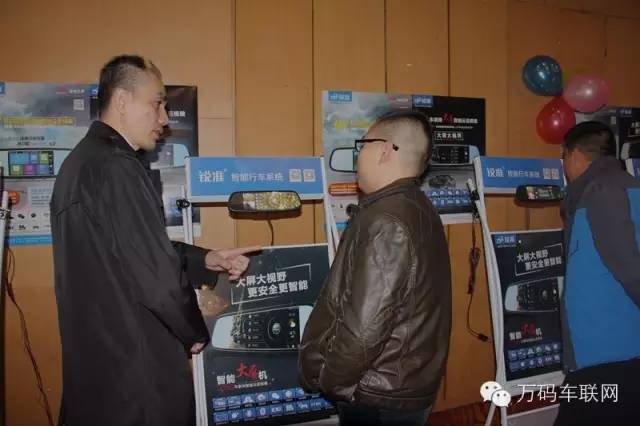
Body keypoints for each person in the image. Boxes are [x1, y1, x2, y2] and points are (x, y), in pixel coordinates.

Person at [50, 55, 259, 426]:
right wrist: (192, 330)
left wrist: (207, 258)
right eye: (157, 103)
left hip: (99, 368)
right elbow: (156, 276)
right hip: (136, 375)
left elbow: (127, 252)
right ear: (122, 100)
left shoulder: (79, 164)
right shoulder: (117, 166)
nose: (164, 118)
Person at [298, 110, 452, 426]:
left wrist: (330, 380)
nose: (359, 156)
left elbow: (365, 326)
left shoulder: (386, 220)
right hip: (403, 385)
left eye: (363, 145)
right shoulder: (418, 206)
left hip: (377, 394)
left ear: (384, 150)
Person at [555, 121, 640, 425]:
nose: (564, 166)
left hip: (607, 356)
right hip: (619, 352)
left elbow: (630, 269)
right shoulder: (626, 187)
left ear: (576, 155)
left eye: (564, 157)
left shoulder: (602, 193)